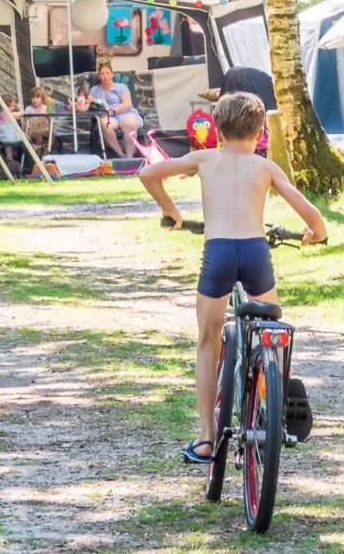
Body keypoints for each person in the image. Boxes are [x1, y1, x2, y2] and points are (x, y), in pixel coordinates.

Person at [138, 92, 328, 464]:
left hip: (219, 252)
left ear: (218, 131)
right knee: (271, 332)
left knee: (208, 343)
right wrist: (316, 232)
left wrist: (172, 211)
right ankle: (270, 396)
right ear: (260, 132)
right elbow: (307, 210)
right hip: (256, 253)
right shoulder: (266, 166)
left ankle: (207, 437)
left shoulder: (205, 158)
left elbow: (148, 173)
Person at [79, 62, 142, 160]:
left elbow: (127, 104)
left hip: (126, 113)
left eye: (107, 73)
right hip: (109, 117)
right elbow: (87, 106)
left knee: (128, 124)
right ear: (99, 76)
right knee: (104, 123)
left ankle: (130, 158)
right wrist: (77, 107)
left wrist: (113, 111)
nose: (105, 76)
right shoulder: (94, 90)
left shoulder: (121, 87)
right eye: (102, 74)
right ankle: (121, 154)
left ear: (112, 74)